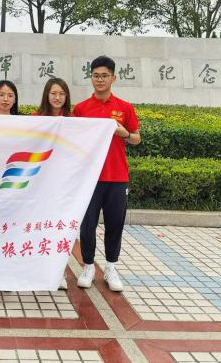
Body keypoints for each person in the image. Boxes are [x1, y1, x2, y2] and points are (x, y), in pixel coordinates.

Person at [72, 55, 141, 292]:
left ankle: (111, 267)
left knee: (114, 224)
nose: (100, 80)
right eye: (96, 75)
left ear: (113, 78)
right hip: (89, 178)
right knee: (87, 225)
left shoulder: (124, 107)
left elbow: (136, 138)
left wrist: (124, 133)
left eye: (104, 76)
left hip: (117, 176)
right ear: (90, 77)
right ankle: (88, 266)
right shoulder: (81, 108)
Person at [34, 78, 71, 289]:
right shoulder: (35, 119)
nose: (57, 98)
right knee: (38, 226)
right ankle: (36, 269)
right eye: (53, 93)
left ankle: (58, 272)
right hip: (38, 183)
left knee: (59, 229)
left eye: (61, 94)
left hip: (63, 184)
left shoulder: (73, 121)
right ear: (46, 95)